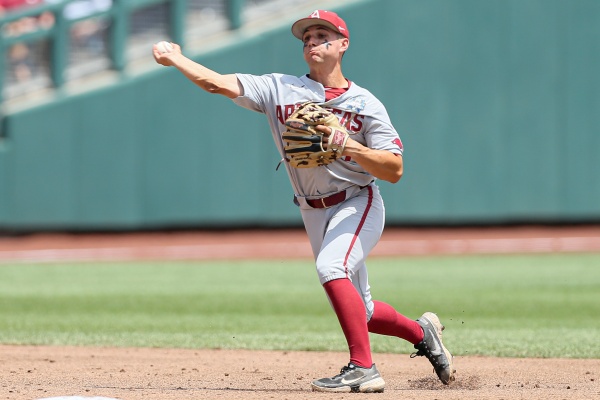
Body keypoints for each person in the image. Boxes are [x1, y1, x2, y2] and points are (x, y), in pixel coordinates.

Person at [153, 9, 455, 393]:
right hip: (311, 209)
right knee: (360, 311)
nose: (311, 42)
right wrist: (175, 57)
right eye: (307, 37)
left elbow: (394, 169)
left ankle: (363, 368)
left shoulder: (365, 104)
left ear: (342, 44)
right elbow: (216, 84)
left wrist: (350, 144)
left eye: (321, 36)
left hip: (356, 202)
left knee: (332, 268)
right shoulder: (279, 88)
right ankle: (423, 333)